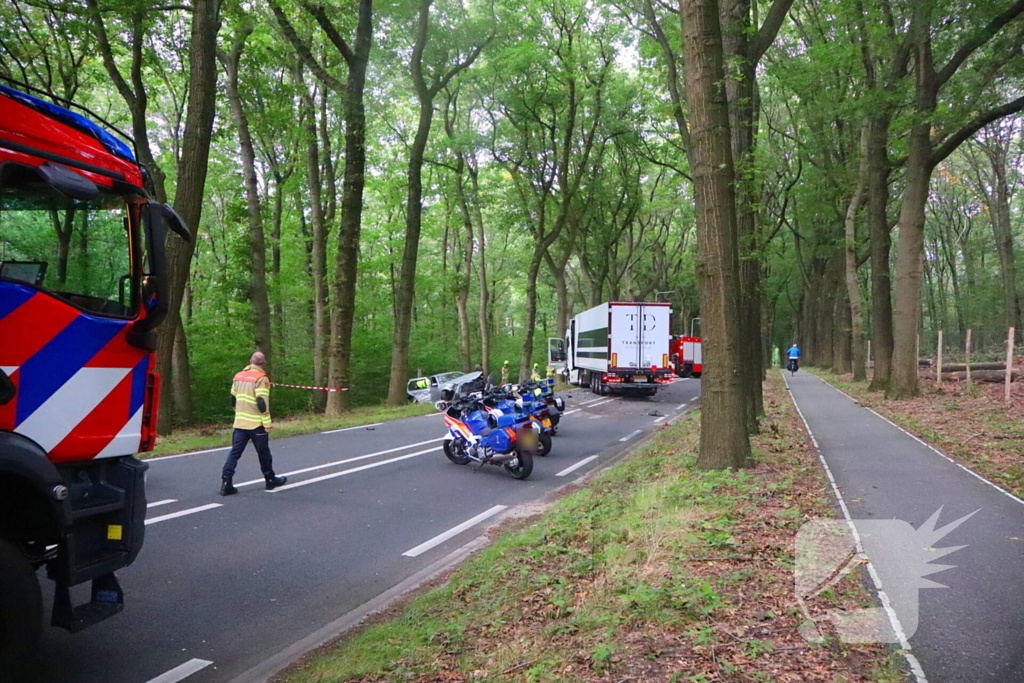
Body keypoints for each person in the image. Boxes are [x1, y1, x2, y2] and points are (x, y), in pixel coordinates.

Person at [220, 352, 287, 495]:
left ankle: (226, 481)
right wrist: (267, 422)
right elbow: (262, 402)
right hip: (256, 423)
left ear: (250, 361)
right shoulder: (261, 378)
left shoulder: (238, 376)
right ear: (264, 364)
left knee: (235, 452)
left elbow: (233, 397)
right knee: (263, 452)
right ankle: (270, 480)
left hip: (240, 422)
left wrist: (237, 411)